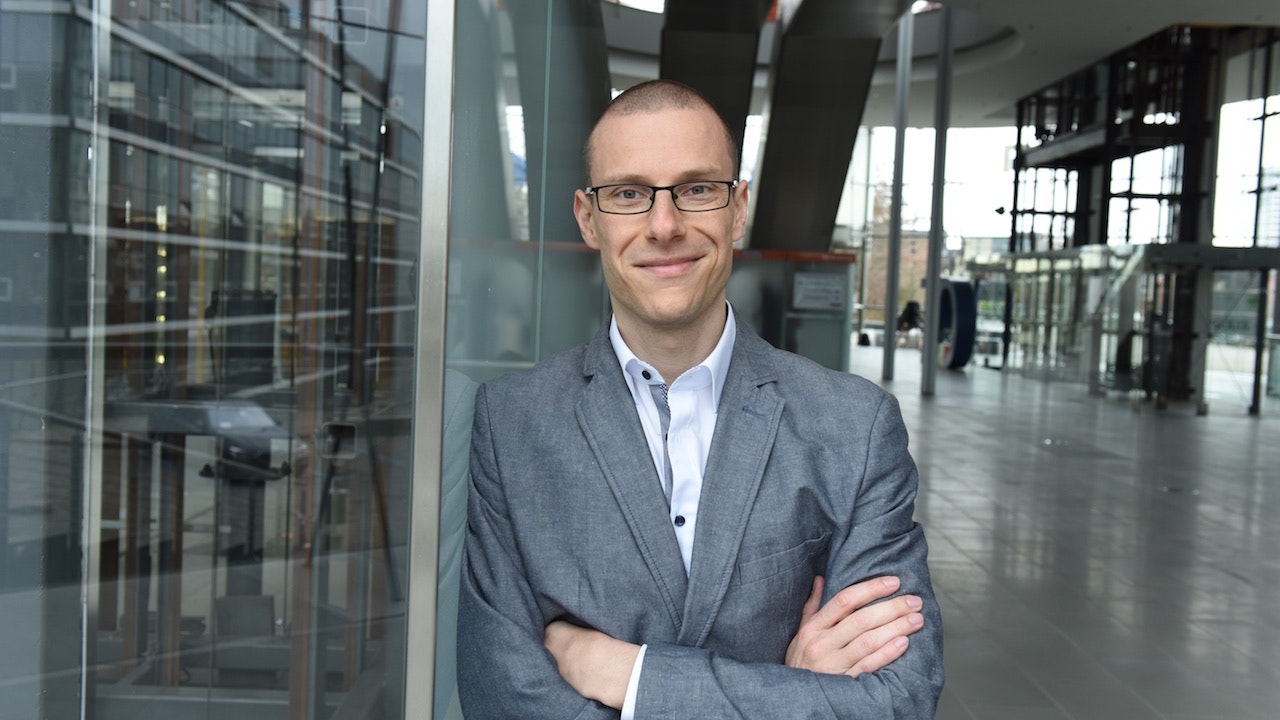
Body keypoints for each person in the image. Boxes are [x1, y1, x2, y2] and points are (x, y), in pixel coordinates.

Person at [457, 79, 943, 718]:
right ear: (588, 219)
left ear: (738, 209)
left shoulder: (854, 426)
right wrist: (790, 691)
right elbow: (502, 699)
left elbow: (897, 702)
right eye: (628, 194)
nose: (664, 225)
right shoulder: (510, 424)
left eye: (696, 189)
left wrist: (630, 676)